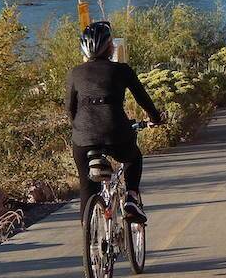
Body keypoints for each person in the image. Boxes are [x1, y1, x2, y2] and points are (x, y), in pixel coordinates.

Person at [66, 21, 163, 224]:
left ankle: (89, 236)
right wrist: (155, 118)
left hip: (83, 138)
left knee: (87, 186)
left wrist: (81, 128)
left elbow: (70, 108)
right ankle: (132, 199)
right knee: (132, 157)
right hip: (116, 132)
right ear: (110, 47)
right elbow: (143, 99)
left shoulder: (75, 73)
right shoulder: (122, 70)